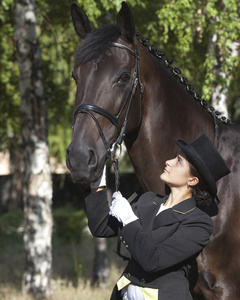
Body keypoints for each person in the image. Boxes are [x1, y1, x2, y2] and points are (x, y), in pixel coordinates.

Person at [84, 134, 230, 300]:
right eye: (175, 157)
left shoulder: (198, 223)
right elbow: (100, 227)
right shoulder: (148, 201)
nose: (169, 162)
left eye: (179, 161)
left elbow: (153, 260)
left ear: (193, 180)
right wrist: (97, 179)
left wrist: (128, 219)